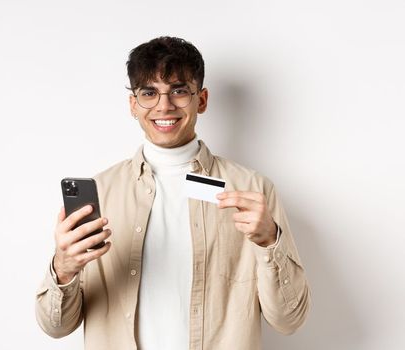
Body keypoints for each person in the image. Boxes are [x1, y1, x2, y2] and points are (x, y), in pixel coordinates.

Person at [35, 36, 310, 350]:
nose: (164, 105)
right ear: (133, 104)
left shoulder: (252, 191)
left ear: (201, 100)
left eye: (179, 91)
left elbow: (290, 320)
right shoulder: (100, 193)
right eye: (149, 93)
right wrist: (64, 267)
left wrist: (269, 241)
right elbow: (55, 327)